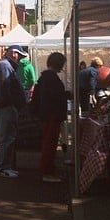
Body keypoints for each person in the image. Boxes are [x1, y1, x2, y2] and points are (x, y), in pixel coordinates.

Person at [31, 52, 68, 183]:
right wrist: (66, 95)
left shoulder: (45, 77)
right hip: (52, 115)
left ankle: (47, 170)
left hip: (47, 115)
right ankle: (47, 172)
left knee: (49, 143)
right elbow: (54, 97)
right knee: (49, 144)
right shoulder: (51, 78)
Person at [0, 45, 28, 178]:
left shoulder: (6, 66)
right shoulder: (5, 66)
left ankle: (5, 166)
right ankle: (3, 168)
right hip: (6, 108)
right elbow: (4, 89)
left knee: (7, 138)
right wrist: (12, 104)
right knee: (6, 138)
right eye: (17, 54)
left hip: (7, 107)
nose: (18, 57)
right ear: (11, 53)